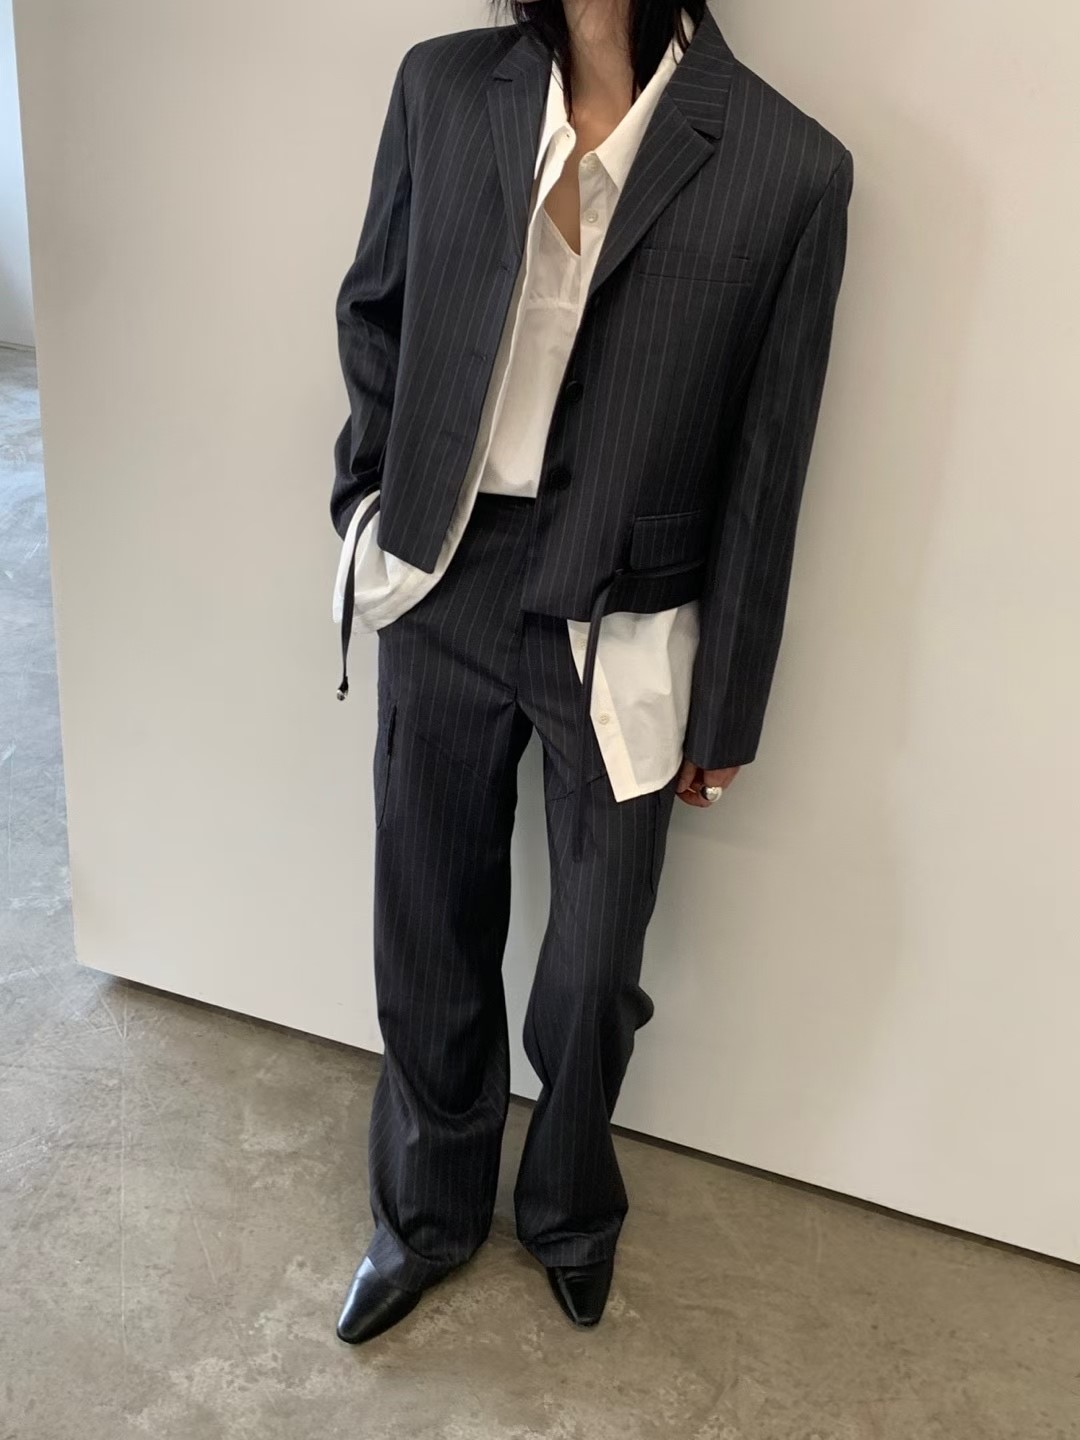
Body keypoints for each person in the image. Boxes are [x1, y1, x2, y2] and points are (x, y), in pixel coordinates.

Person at [329, 0, 853, 1343]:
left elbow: (769, 463)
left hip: (627, 611)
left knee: (594, 961)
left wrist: (729, 699)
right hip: (448, 574)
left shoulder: (790, 165)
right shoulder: (445, 91)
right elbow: (377, 307)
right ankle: (426, 1213)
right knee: (427, 922)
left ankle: (569, 1209)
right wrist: (370, 513)